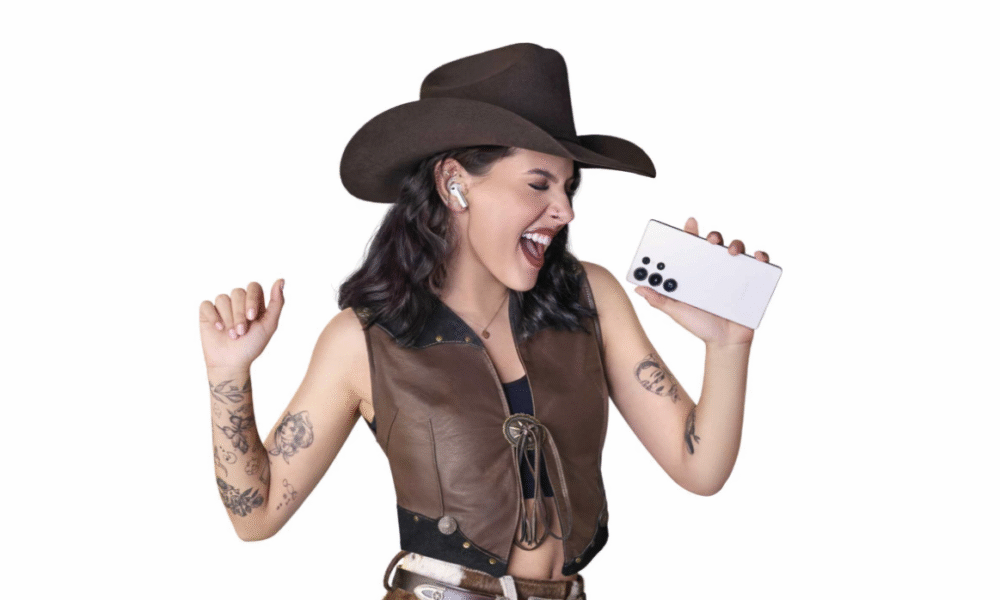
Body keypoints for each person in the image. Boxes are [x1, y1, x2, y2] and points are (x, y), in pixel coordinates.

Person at [199, 43, 771, 600]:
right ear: (455, 183)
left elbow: (700, 469)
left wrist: (728, 345)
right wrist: (228, 376)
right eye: (539, 184)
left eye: (569, 186)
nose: (565, 210)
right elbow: (257, 515)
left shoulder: (588, 298)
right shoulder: (364, 339)